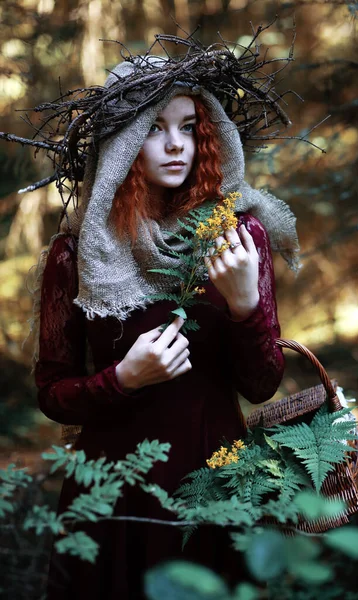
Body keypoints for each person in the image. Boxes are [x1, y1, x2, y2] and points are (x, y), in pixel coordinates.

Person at [33, 55, 300, 599]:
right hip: (112, 494)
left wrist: (245, 302)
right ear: (123, 145)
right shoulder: (78, 254)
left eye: (188, 127)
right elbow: (53, 393)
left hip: (212, 484)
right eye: (154, 129)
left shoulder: (236, 236)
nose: (177, 144)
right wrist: (123, 379)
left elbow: (261, 384)